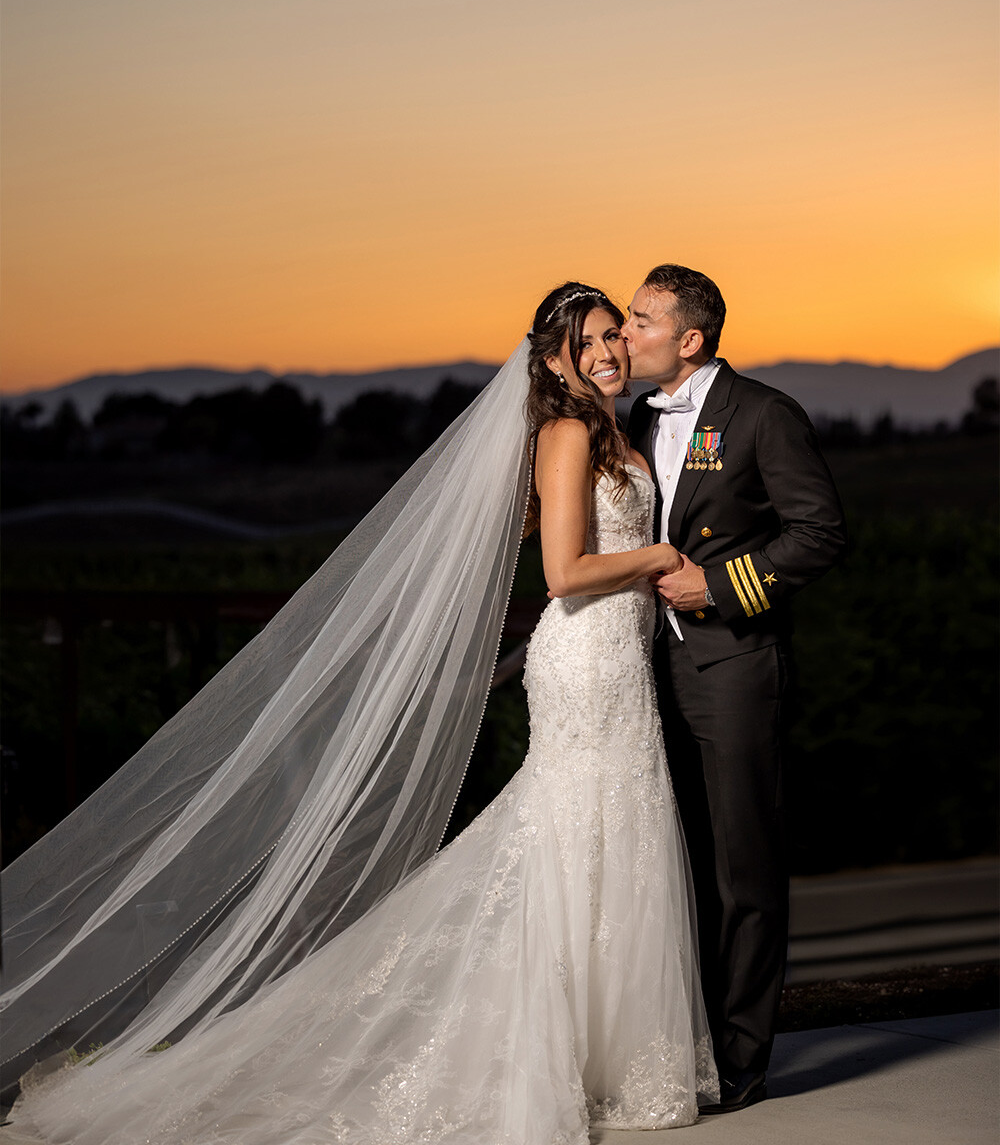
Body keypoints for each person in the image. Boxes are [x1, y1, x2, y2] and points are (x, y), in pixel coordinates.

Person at [5, 283, 717, 1144]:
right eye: (591, 341)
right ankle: (532, 1047)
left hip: (624, 664)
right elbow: (564, 573)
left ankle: (606, 1056)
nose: (608, 352)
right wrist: (663, 555)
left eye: (614, 336)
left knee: (615, 838)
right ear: (556, 356)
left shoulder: (616, 431)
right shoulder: (567, 434)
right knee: (569, 835)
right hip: (584, 663)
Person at [624, 263, 847, 1113]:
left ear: (690, 338)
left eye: (642, 320)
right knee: (671, 862)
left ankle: (739, 1061)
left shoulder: (764, 415)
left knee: (741, 867)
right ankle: (676, 1043)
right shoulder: (637, 417)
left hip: (735, 667)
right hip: (649, 667)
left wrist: (717, 589)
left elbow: (820, 533)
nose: (626, 332)